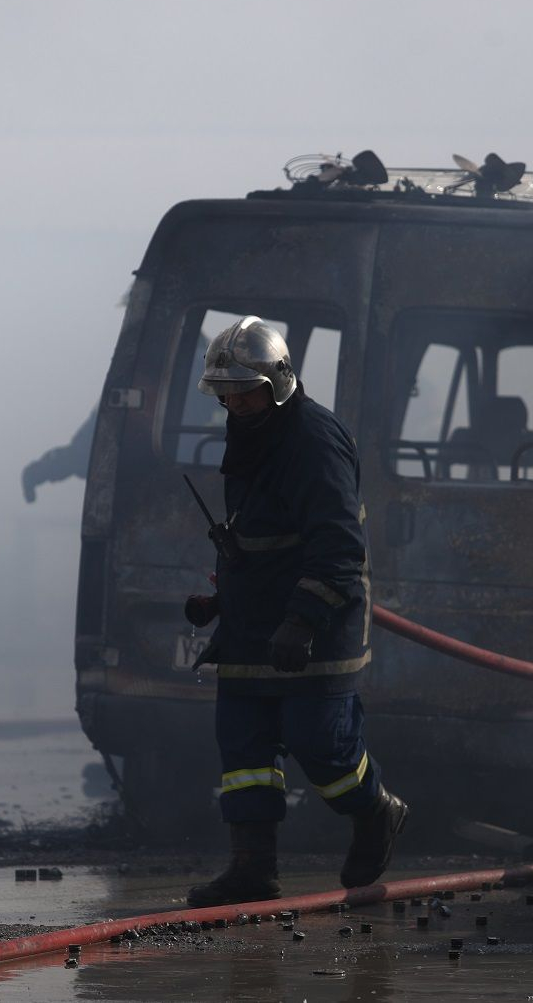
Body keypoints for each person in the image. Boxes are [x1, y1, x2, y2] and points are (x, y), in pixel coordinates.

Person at [184, 316, 407, 905]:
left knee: (321, 745)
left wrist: (302, 620)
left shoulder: (313, 437)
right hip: (253, 620)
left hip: (317, 620)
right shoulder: (249, 428)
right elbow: (260, 531)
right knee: (244, 747)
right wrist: (221, 599)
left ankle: (376, 810)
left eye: (243, 391)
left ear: (278, 380)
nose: (233, 403)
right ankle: (252, 868)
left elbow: (337, 546)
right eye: (224, 394)